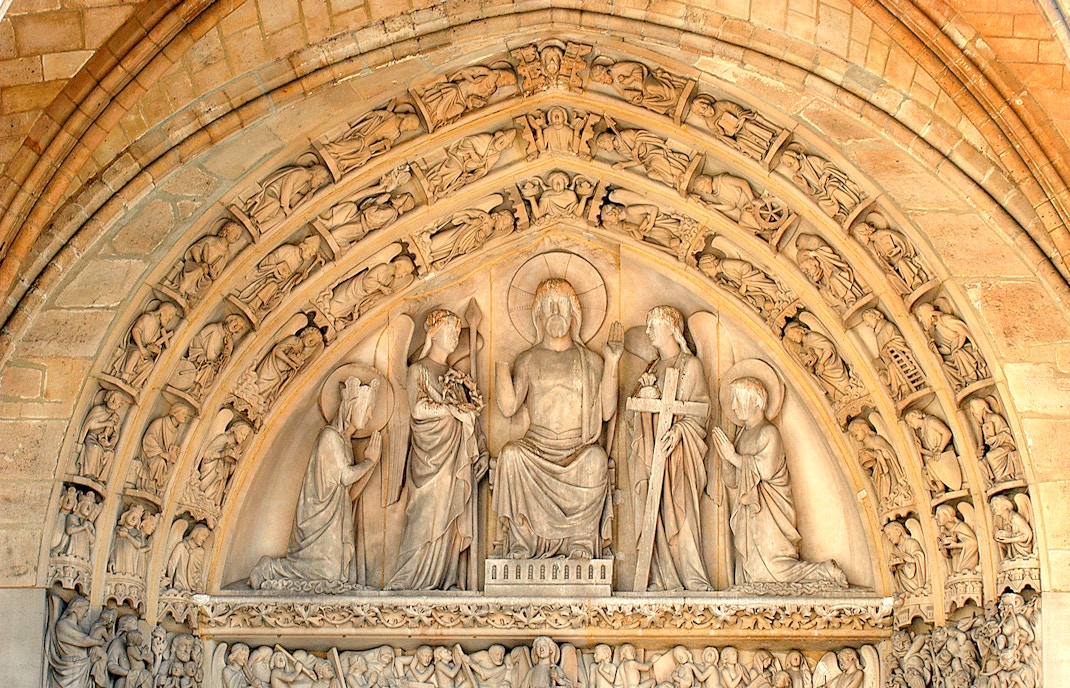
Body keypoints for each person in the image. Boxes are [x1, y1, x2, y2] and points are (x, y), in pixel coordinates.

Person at [493, 278, 622, 559]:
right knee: (510, 456)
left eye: (562, 306)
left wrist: (612, 362)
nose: (555, 312)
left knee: (595, 460)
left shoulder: (590, 360)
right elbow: (508, 407)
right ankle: (522, 542)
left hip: (576, 449)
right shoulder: (528, 359)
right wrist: (501, 366)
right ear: (538, 315)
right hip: (536, 449)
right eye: (549, 306)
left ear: (574, 314)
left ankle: (581, 541)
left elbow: (607, 412)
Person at [711, 375, 846, 586]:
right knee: (756, 574)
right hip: (750, 516)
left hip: (770, 516)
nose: (734, 406)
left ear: (756, 401)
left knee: (776, 573)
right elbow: (734, 481)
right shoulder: (741, 436)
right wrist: (726, 460)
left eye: (738, 399)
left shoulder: (768, 432)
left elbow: (764, 470)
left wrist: (733, 457)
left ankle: (825, 571)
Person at [249, 376, 383, 588]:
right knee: (324, 574)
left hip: (334, 521)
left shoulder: (345, 442)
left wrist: (370, 464)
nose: (369, 415)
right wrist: (369, 461)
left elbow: (347, 490)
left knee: (333, 576)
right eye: (367, 408)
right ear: (351, 406)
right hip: (318, 523)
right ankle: (271, 568)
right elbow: (346, 476)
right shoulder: (329, 437)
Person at [388, 310, 487, 590]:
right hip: (430, 459)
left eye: (457, 331)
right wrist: (453, 410)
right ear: (433, 334)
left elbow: (469, 417)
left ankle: (445, 577)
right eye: (450, 330)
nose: (455, 336)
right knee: (426, 513)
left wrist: (478, 446)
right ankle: (411, 577)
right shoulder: (419, 370)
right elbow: (418, 408)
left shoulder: (455, 377)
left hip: (455, 456)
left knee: (452, 514)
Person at [628, 306, 712, 591]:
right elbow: (635, 411)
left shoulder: (690, 365)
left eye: (655, 325)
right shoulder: (651, 369)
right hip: (653, 453)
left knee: (682, 511)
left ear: (672, 328)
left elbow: (701, 411)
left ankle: (691, 578)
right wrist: (643, 398)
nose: (649, 331)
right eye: (649, 325)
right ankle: (661, 578)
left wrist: (679, 431)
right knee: (653, 512)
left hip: (679, 457)